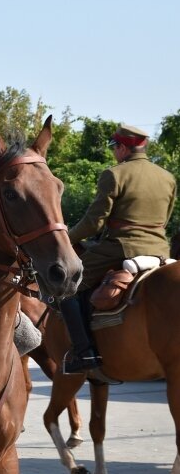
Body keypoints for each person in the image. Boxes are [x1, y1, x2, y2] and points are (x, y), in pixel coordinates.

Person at [61, 124, 176, 374]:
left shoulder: (114, 174)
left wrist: (67, 239)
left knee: (68, 287)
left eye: (115, 148)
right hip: (160, 251)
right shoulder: (167, 177)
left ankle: (85, 354)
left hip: (120, 248)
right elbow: (165, 220)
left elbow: (94, 222)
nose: (114, 153)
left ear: (123, 147)